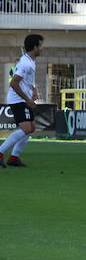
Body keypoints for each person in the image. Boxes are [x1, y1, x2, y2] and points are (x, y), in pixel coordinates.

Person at [0, 34, 43, 168]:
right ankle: (0, 153)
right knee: (26, 128)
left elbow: (28, 79)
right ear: (35, 47)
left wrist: (34, 89)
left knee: (31, 128)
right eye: (40, 45)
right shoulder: (25, 63)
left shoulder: (30, 61)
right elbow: (14, 83)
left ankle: (14, 157)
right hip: (18, 100)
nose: (42, 48)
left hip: (24, 98)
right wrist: (27, 100)